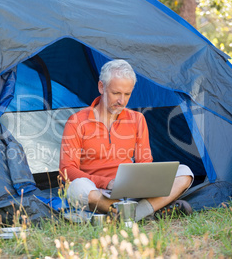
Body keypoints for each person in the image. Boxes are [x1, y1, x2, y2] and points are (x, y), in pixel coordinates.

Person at [59, 59, 194, 221]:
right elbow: (67, 170)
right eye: (116, 93)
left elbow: (144, 162)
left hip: (133, 191)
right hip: (98, 191)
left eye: (127, 94)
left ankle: (128, 215)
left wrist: (141, 184)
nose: (121, 101)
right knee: (77, 187)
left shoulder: (137, 119)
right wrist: (107, 182)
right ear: (101, 87)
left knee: (185, 172)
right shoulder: (77, 121)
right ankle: (144, 211)